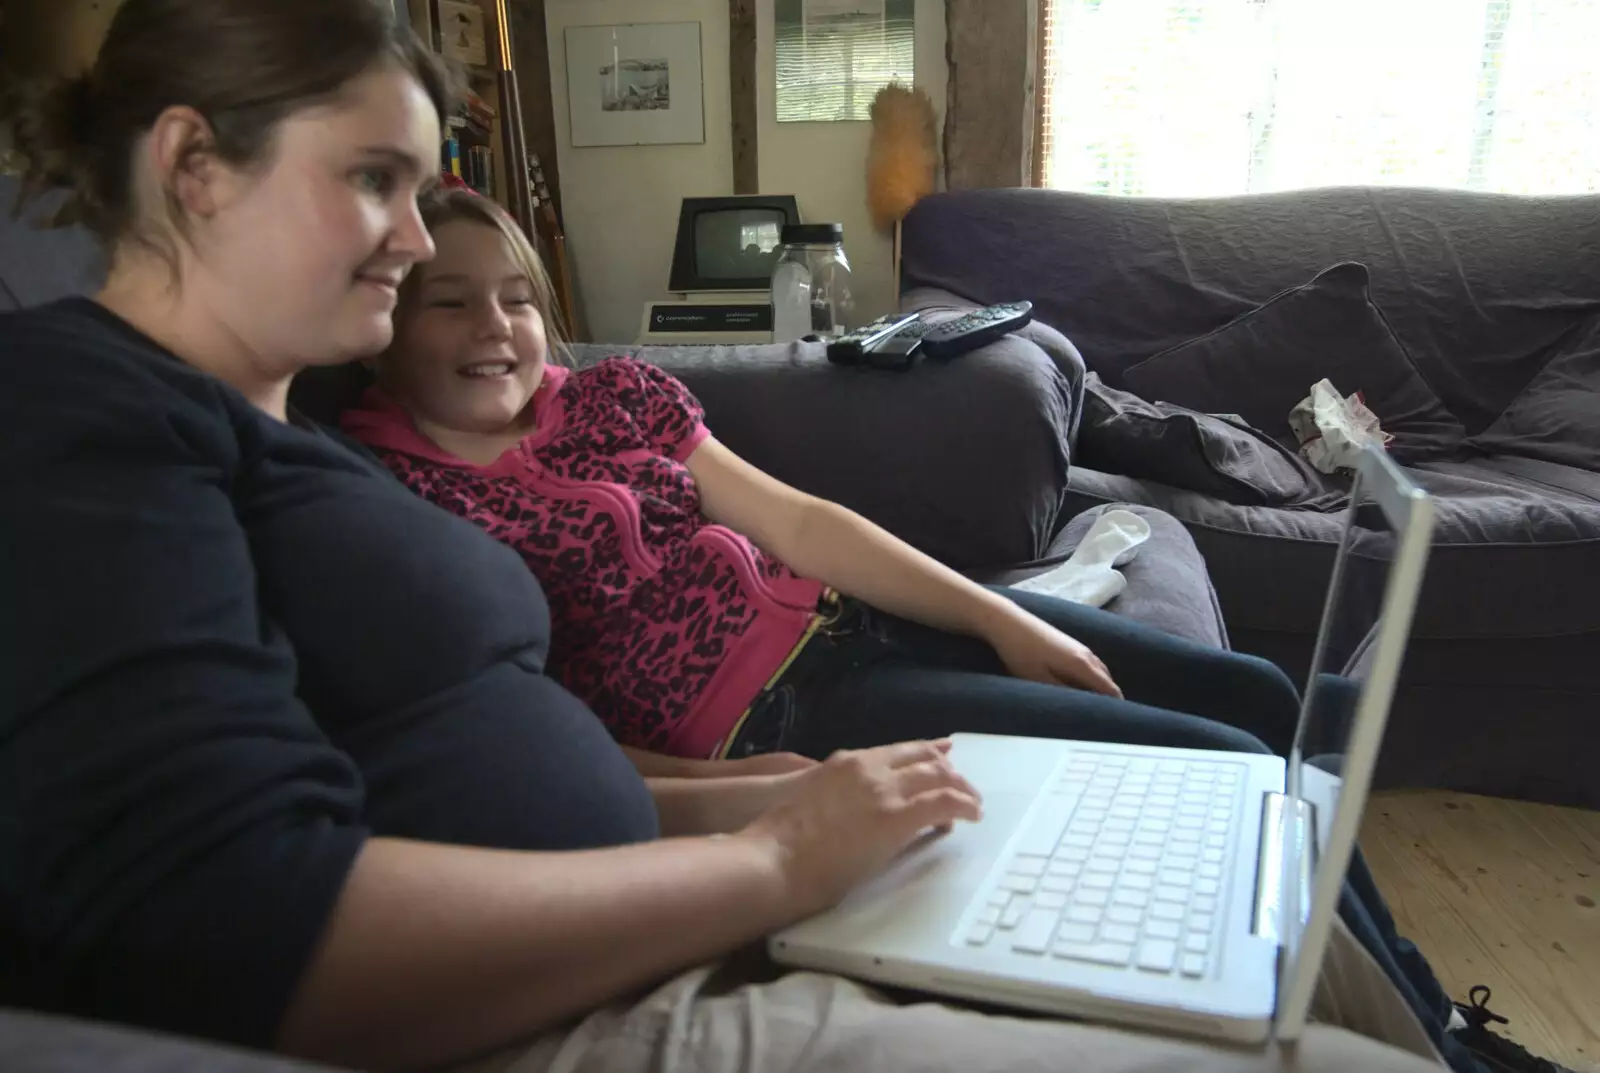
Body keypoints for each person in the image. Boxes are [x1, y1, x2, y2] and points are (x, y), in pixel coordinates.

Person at [0, 3, 1545, 1073]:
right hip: (630, 952)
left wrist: (744, 802)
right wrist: (771, 848)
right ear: (194, 166)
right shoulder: (91, 416)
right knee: (1270, 937)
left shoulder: (278, 444)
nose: (417, 245)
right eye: (375, 185)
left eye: (435, 197)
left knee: (1255, 845)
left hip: (710, 825)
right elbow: (240, 920)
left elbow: (429, 751)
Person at [341, 188, 1308, 765]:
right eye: (450, 303)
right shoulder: (384, 491)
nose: (493, 328)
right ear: (381, 319)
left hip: (856, 620)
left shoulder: (612, 395)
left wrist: (998, 613)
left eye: (515, 299)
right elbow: (509, 718)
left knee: (1254, 691)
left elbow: (800, 522)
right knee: (1225, 762)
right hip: (775, 720)